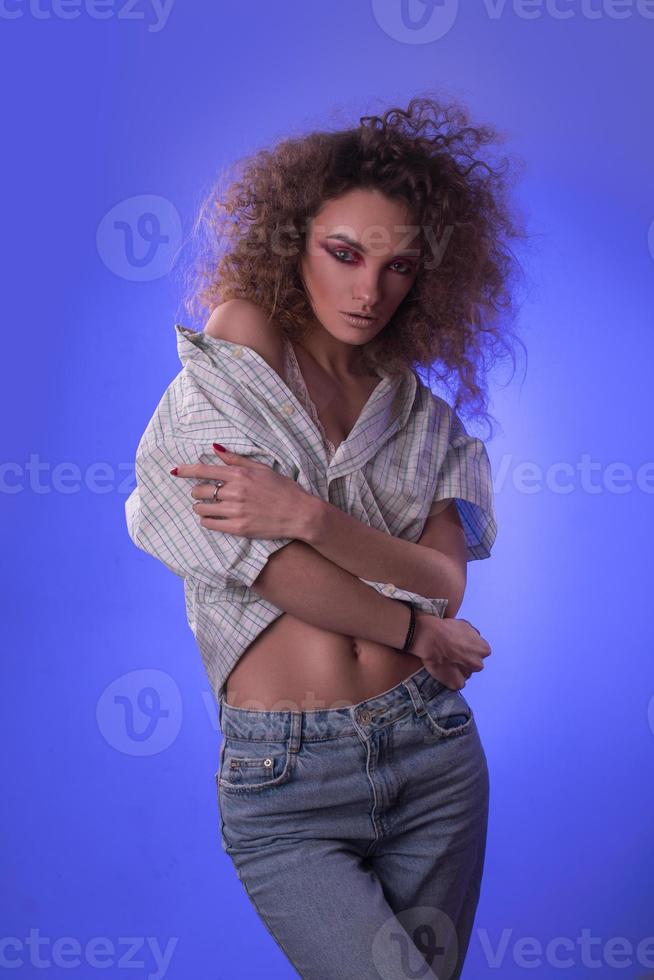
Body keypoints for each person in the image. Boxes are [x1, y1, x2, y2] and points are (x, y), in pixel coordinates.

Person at [125, 94, 528, 980]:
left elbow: (442, 578)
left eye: (397, 266)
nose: (367, 290)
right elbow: (257, 561)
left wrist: (310, 514)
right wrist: (416, 629)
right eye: (344, 253)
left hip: (432, 756)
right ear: (291, 239)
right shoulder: (239, 349)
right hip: (285, 782)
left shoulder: (426, 419)